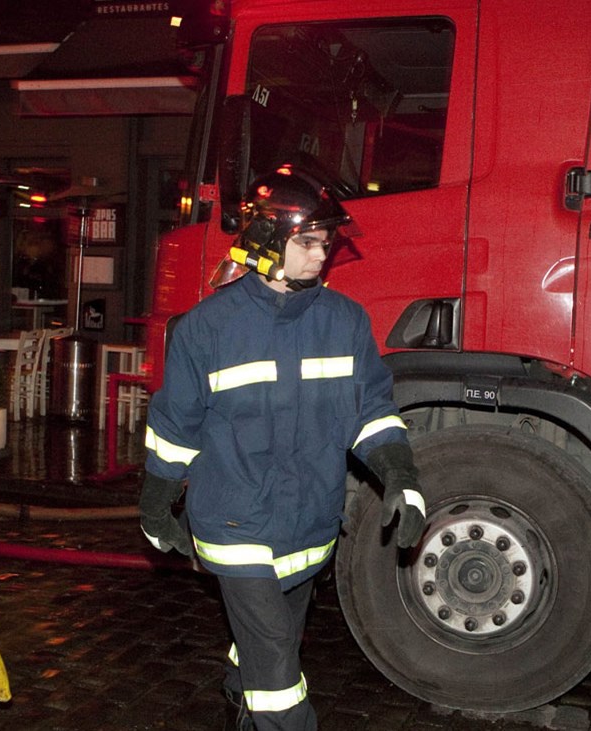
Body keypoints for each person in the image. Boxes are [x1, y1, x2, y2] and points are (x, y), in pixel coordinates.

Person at [140, 164, 427, 731]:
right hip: (235, 522)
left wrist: (402, 476)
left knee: (269, 650)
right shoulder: (208, 328)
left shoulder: (345, 323)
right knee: (279, 687)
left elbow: (372, 413)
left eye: (327, 242)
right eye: (310, 242)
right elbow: (175, 428)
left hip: (310, 526)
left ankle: (238, 694)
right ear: (268, 241)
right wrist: (155, 505)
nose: (322, 254)